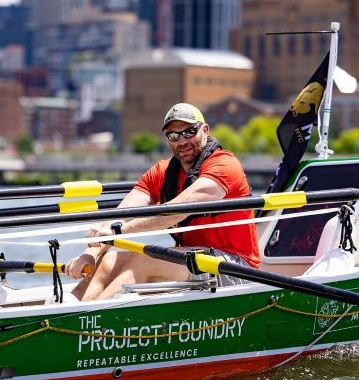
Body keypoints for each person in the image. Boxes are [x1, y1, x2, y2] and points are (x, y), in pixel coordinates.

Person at [65, 103, 260, 300]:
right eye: (173, 136)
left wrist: (118, 232)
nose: (182, 141)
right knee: (107, 261)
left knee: (143, 260)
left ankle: (93, 320)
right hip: (191, 258)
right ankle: (70, 316)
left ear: (205, 130)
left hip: (235, 268)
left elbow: (175, 212)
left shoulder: (224, 164)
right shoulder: (162, 172)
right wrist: (89, 253)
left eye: (189, 132)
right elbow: (121, 215)